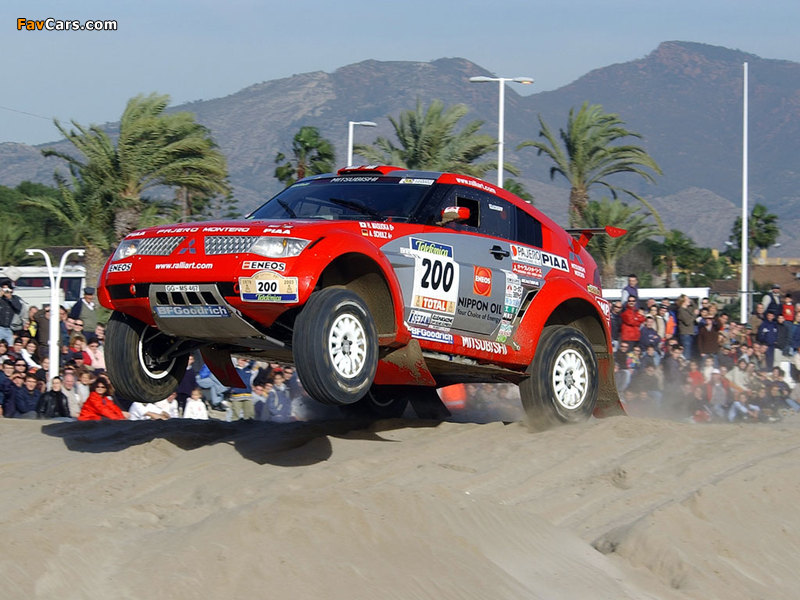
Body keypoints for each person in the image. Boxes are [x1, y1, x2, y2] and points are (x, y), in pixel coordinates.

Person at [0, 278, 22, 346]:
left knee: (10, 347)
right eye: (4, 289)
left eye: (7, 289)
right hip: (0, 327)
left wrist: (10, 298)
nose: (6, 291)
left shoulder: (15, 298)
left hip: (10, 329)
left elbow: (18, 308)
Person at [677, 295, 696, 360]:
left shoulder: (687, 310)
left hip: (689, 333)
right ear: (683, 301)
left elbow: (695, 308)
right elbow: (687, 321)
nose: (689, 300)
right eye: (687, 299)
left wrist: (692, 302)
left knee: (690, 352)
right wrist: (694, 315)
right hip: (685, 334)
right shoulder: (681, 311)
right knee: (686, 352)